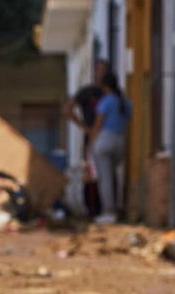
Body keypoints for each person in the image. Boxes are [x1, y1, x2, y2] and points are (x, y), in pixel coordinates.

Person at [64, 59, 108, 218]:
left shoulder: (109, 93)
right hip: (91, 136)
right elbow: (68, 108)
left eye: (104, 70)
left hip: (107, 134)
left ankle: (104, 206)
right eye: (98, 70)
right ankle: (92, 208)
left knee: (106, 172)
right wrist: (83, 126)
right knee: (91, 171)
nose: (101, 73)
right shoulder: (87, 92)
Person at [90, 71, 130, 224]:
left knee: (105, 178)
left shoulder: (106, 101)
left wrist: (91, 143)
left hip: (105, 140)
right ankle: (119, 207)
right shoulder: (124, 102)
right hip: (120, 140)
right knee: (116, 176)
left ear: (105, 86)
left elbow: (98, 124)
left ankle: (108, 212)